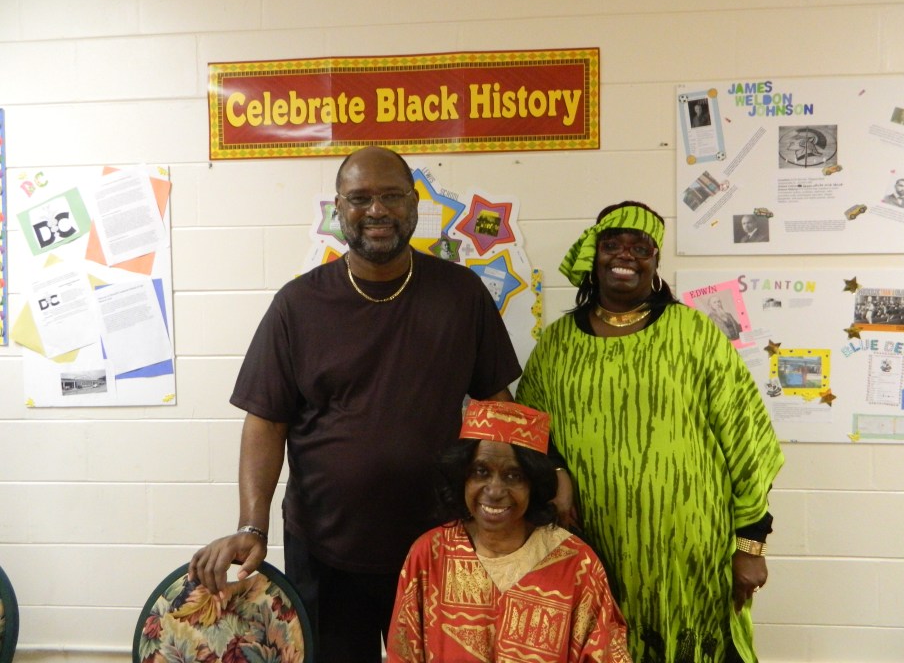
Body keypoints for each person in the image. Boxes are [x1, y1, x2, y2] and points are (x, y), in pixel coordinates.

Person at [188, 146, 522, 663]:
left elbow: (497, 405)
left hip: (437, 544)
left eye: (391, 196)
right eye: (360, 198)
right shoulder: (298, 305)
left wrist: (538, 483)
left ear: (414, 203)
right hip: (325, 551)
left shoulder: (461, 294)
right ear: (339, 208)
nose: (377, 210)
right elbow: (266, 421)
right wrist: (252, 525)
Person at [515, 201, 785, 663]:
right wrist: (557, 472)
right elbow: (531, 433)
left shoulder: (694, 333)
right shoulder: (557, 345)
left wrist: (750, 545)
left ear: (655, 262)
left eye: (640, 248)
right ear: (593, 254)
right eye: (613, 244)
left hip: (691, 555)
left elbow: (748, 441)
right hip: (594, 550)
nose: (626, 255)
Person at [387, 400, 632, 663]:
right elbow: (404, 653)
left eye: (513, 476)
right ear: (463, 477)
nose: (494, 491)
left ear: (533, 484)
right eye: (481, 472)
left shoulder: (577, 565)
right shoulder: (429, 554)